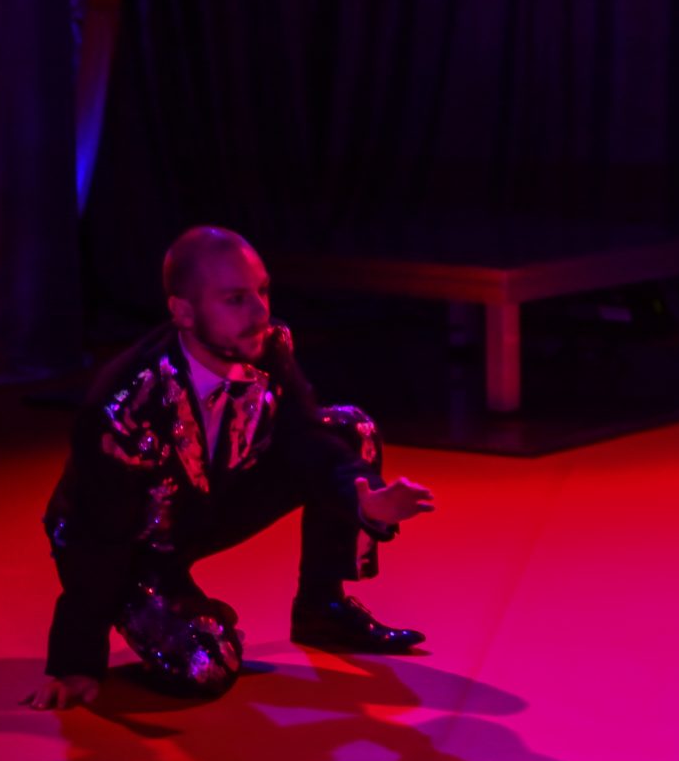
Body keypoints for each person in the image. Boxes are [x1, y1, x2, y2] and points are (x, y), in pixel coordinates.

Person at [25, 227, 435, 709]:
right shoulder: (125, 403)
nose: (260, 312)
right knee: (209, 665)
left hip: (206, 500)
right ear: (183, 312)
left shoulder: (268, 346)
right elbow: (97, 533)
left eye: (262, 291)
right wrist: (75, 659)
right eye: (236, 299)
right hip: (132, 541)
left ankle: (322, 607)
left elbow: (306, 439)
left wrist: (365, 501)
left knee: (349, 431)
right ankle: (181, 609)